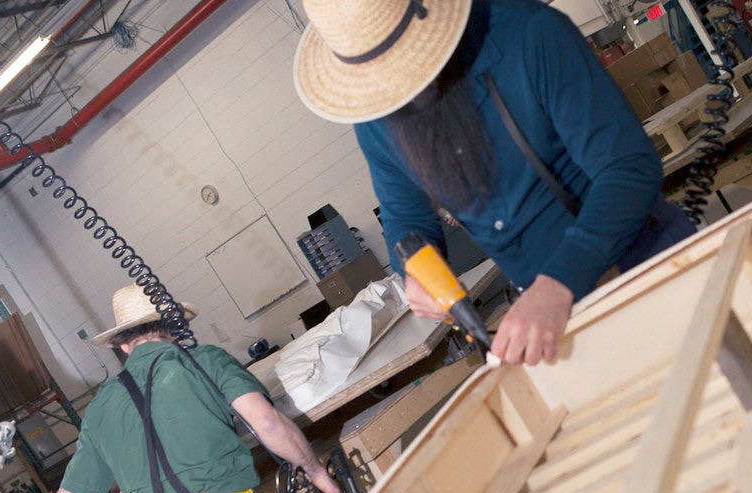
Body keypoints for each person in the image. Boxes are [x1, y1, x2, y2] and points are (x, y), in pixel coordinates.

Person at [293, 0, 695, 365]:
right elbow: (406, 218)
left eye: (402, 65)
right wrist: (414, 273)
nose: (397, 91)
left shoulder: (530, 34)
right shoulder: (374, 114)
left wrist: (558, 283)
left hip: (646, 269)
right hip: (548, 326)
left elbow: (628, 169)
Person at [53, 286, 347, 493]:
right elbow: (268, 423)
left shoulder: (99, 407)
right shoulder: (204, 360)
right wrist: (317, 473)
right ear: (174, 324)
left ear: (123, 345)